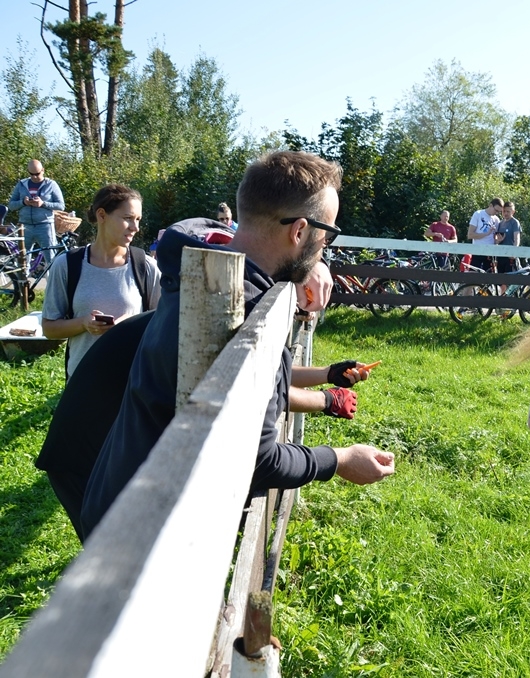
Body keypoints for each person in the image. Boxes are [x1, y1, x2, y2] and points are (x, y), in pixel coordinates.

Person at [79, 151, 395, 540]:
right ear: (299, 231)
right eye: (326, 233)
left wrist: (306, 264)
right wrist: (342, 458)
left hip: (116, 491)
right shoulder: (248, 312)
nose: (326, 246)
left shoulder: (202, 269)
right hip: (143, 534)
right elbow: (258, 459)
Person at [40, 184, 161, 379]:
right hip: (82, 382)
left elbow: (161, 326)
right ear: (102, 215)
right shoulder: (67, 265)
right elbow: (49, 328)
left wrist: (129, 326)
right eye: (128, 218)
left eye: (138, 219)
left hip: (131, 383)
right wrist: (84, 324)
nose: (135, 227)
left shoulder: (146, 267)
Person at [7, 159, 65, 267]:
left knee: (51, 260)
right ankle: (23, 284)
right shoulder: (21, 184)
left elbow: (61, 206)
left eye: (37, 174)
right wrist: (23, 202)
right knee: (22, 263)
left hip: (45, 226)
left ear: (43, 170)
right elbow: (11, 205)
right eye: (31, 174)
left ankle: (52, 283)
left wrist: (43, 204)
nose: (34, 177)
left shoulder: (51, 184)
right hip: (25, 226)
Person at [467, 198, 503, 271]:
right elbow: (470, 235)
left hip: (490, 254)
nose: (496, 213)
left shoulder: (496, 220)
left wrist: (498, 241)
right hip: (477, 252)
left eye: (499, 212)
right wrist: (486, 234)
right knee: (474, 277)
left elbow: (494, 240)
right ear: (490, 205)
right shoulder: (478, 214)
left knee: (488, 279)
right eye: (496, 210)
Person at [494, 201, 522, 274]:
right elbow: (496, 240)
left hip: (510, 256)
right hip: (500, 255)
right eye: (504, 211)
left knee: (509, 279)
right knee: (500, 279)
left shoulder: (515, 222)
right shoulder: (500, 223)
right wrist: (498, 241)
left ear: (513, 212)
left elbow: (517, 239)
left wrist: (513, 252)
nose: (505, 213)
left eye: (508, 211)